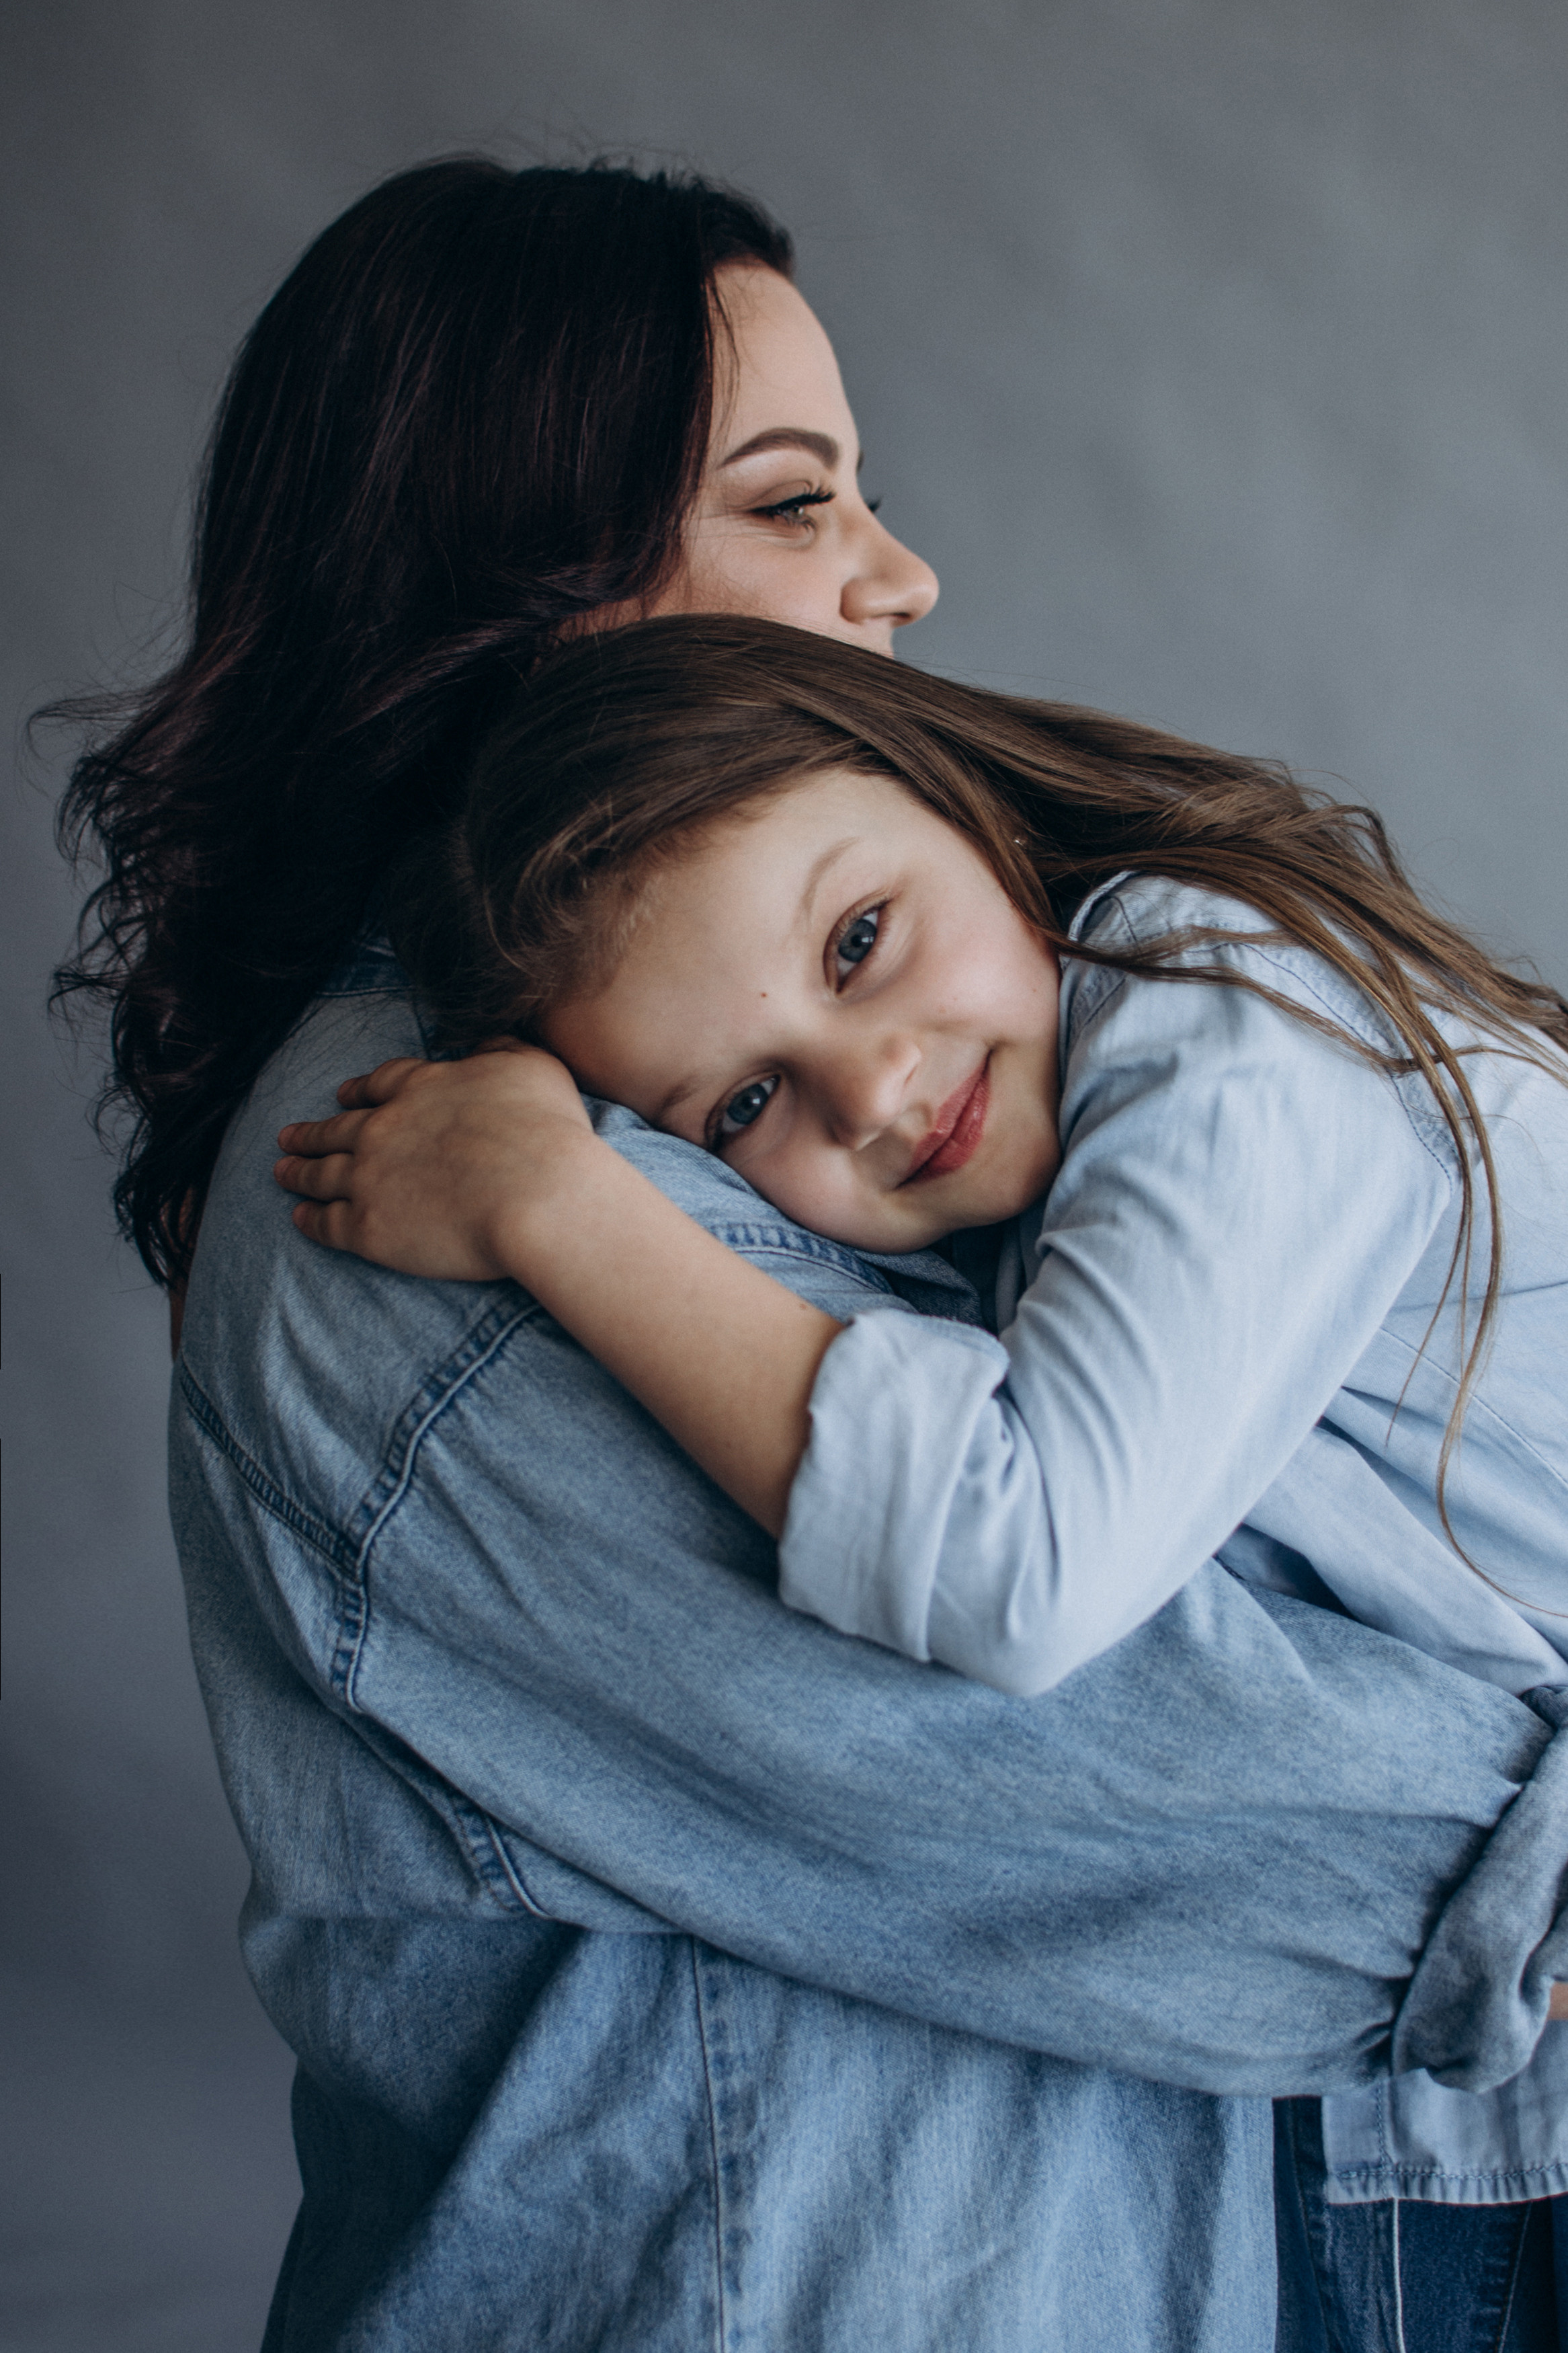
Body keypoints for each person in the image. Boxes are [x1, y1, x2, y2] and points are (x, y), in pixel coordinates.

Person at [56, 156, 1568, 2350]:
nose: (902, 574)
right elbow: (1254, 1835)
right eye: (791, 502)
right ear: (535, 600)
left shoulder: (1055, 1023)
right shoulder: (433, 1190)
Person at [275, 611, 1568, 2345]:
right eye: (743, 1109)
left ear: (957, 796)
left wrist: (557, 1204)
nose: (876, 1092)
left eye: (863, 939)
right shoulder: (1028, 1158)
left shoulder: (1230, 1017)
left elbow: (1019, 1563)